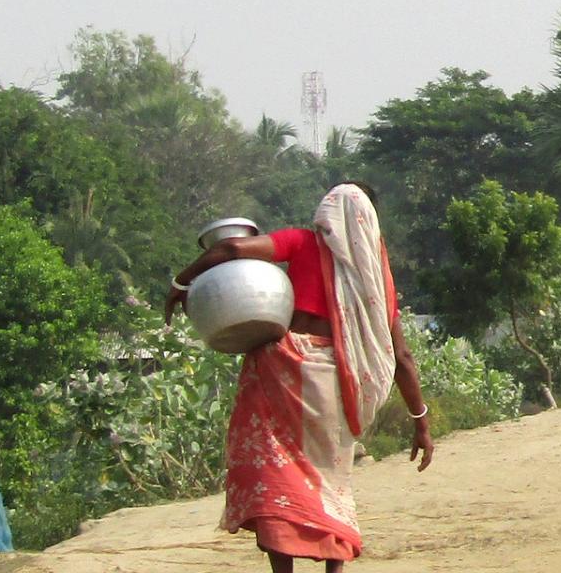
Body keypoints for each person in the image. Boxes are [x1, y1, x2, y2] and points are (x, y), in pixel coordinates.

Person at [165, 182, 433, 573]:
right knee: (330, 479)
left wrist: (180, 283)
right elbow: (402, 358)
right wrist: (420, 422)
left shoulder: (303, 243)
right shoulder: (376, 282)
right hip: (337, 385)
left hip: (282, 374)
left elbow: (233, 249)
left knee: (275, 472)